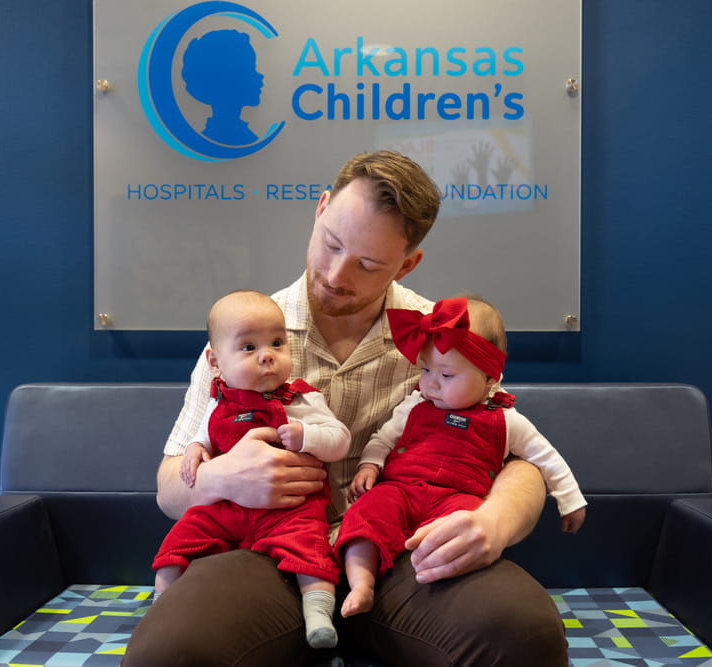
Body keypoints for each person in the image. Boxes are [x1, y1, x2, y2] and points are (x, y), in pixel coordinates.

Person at [123, 150, 568, 666]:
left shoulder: (445, 335)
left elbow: (519, 460)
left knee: (526, 637)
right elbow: (168, 488)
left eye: (368, 264)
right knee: (167, 653)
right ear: (320, 208)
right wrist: (222, 478)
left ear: (407, 263)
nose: (336, 273)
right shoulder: (240, 334)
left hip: (403, 550)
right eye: (331, 243)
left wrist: (496, 520)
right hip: (264, 552)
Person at [337, 296, 587, 617]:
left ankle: (425, 578)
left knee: (458, 534)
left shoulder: (507, 420)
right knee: (365, 513)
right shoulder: (413, 405)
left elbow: (546, 458)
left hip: (457, 500)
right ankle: (361, 584)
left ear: (489, 378)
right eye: (426, 369)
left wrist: (571, 501)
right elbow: (383, 438)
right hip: (401, 488)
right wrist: (370, 464)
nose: (431, 384)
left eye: (447, 375)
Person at [150, 289, 350, 648]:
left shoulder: (301, 398)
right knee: (180, 539)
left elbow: (340, 439)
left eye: (276, 343)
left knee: (309, 544)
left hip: (290, 509)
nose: (267, 357)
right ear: (215, 362)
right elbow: (202, 439)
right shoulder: (217, 403)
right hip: (227, 510)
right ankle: (161, 600)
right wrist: (196, 450)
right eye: (248, 348)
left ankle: (318, 611)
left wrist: (307, 436)